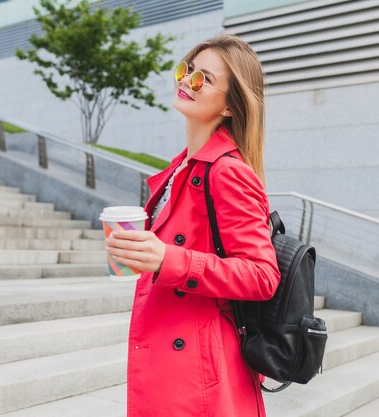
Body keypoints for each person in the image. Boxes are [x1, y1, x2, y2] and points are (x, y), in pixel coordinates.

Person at [104, 32, 281, 417]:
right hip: (170, 357)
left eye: (204, 78)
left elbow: (262, 275)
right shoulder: (180, 170)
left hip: (199, 372)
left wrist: (169, 259)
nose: (187, 80)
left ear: (231, 107)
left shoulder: (228, 172)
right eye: (187, 69)